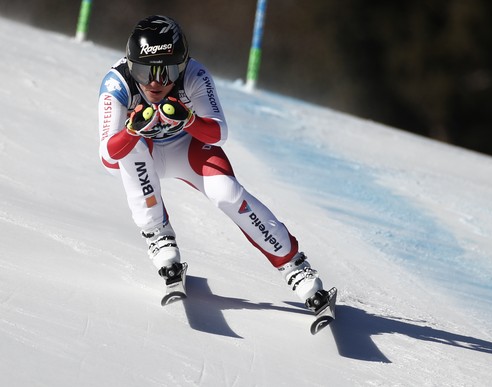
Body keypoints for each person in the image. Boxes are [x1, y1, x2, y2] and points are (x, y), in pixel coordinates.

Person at [98, 15, 329, 311]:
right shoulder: (116, 83)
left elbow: (219, 132)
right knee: (130, 149)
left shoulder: (195, 75)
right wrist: (131, 131)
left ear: (181, 67)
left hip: (187, 148)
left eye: (166, 72)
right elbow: (108, 156)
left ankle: (295, 267)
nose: (155, 82)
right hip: (146, 153)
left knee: (227, 194)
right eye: (144, 72)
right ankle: (158, 236)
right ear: (131, 67)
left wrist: (190, 120)